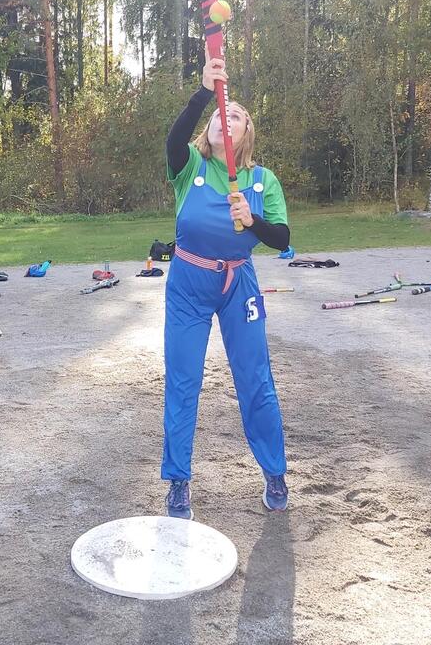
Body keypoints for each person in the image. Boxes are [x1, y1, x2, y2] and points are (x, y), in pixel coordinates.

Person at [162, 57, 292, 520]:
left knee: (255, 380)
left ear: (246, 133)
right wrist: (204, 92)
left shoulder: (261, 180)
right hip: (188, 283)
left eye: (233, 114)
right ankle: (178, 481)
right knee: (183, 380)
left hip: (240, 284)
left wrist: (251, 220)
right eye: (218, 114)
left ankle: (274, 471)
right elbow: (174, 140)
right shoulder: (189, 166)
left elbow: (282, 239)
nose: (224, 117)